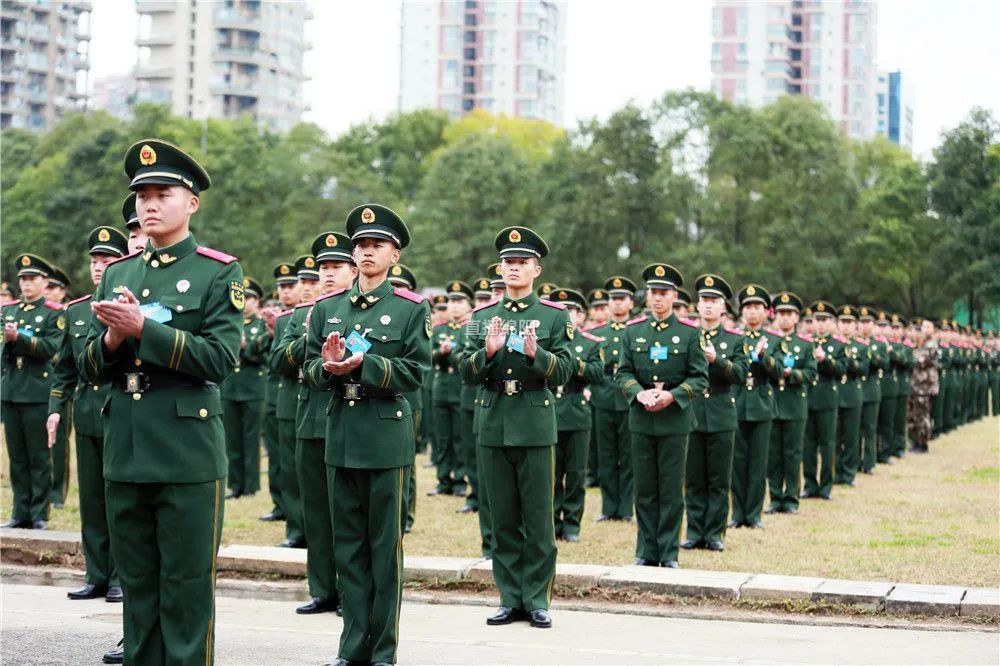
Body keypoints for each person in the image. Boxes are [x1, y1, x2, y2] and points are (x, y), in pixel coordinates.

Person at [80, 139, 242, 664]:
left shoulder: (220, 272)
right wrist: (111, 341)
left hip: (185, 451)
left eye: (162, 193)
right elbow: (89, 366)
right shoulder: (118, 273)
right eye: (142, 195)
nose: (148, 204)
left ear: (191, 202)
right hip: (125, 448)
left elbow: (220, 359)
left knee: (186, 585)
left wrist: (144, 330)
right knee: (138, 587)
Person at [303, 204, 430, 665]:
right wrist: (329, 367)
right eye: (360, 245)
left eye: (377, 245)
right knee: (348, 550)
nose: (366, 252)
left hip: (384, 436)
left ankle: (383, 651)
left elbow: (416, 373)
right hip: (341, 434)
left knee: (383, 552)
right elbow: (310, 372)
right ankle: (351, 646)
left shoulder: (411, 308)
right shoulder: (327, 309)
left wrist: (367, 364)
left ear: (395, 256)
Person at [459, 226, 573, 628]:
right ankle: (510, 597)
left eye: (521, 262)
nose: (513, 268)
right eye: (508, 262)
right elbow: (465, 369)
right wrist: (487, 352)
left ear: (536, 269)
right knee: (502, 517)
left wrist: (536, 354)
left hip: (534, 420)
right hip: (493, 421)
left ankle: (538, 597)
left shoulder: (555, 317)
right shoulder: (481, 317)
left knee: (539, 518)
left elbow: (568, 370)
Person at [47, 226, 129, 603]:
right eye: (95, 260)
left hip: (118, 411)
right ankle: (96, 573)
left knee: (118, 499)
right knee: (92, 499)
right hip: (85, 413)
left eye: (107, 260)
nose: (99, 267)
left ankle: (119, 576)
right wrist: (55, 410)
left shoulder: (129, 306)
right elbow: (64, 368)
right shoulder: (77, 310)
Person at [618, 263, 708, 567]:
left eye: (663, 293)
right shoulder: (633, 333)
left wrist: (673, 395)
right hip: (642, 419)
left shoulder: (689, 334)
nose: (657, 298)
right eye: (653, 293)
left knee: (670, 488)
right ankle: (645, 551)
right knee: (644, 489)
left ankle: (668, 552)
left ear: (674, 296)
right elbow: (623, 373)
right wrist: (637, 392)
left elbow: (700, 378)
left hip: (674, 420)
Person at [682, 274, 747, 552]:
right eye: (704, 300)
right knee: (694, 478)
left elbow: (742, 374)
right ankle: (695, 531)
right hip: (693, 411)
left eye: (714, 301)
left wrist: (716, 360)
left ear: (724, 308)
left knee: (719, 479)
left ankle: (715, 534)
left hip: (721, 412)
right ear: (697, 306)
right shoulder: (686, 336)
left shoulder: (734, 340)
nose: (708, 306)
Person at [2, 253, 66, 530]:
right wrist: (9, 341)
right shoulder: (8, 311)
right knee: (16, 456)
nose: (26, 285)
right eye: (23, 280)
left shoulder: (54, 313)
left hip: (38, 392)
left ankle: (39, 512)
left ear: (44, 282)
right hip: (11, 390)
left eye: (32, 279)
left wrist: (22, 339)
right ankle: (20, 511)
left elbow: (51, 348)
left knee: (38, 456)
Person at [269, 254, 318, 549]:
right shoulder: (290, 318)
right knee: (291, 469)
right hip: (292, 399)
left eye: (314, 280)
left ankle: (321, 531)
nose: (309, 287)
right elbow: (277, 362)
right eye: (305, 281)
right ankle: (296, 529)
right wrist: (305, 341)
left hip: (326, 399)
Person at [550, 288, 604, 543]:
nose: (567, 315)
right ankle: (551, 521)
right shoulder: (546, 341)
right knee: (551, 473)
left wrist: (575, 363)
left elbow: (597, 374)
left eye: (571, 310)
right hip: (550, 410)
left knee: (575, 473)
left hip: (577, 411)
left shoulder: (591, 344)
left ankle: (571, 523)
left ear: (581, 316)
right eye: (561, 310)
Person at [731, 284, 780, 529]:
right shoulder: (733, 338)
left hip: (761, 402)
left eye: (757, 307)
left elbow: (780, 371)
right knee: (737, 462)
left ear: (766, 311)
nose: (752, 312)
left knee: (758, 462)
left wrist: (765, 358)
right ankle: (738, 513)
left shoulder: (773, 340)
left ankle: (754, 514)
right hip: (737, 402)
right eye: (748, 307)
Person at [589, 276, 638, 523]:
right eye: (613, 300)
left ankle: (626, 508)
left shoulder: (638, 329)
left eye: (621, 299)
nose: (617, 304)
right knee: (606, 454)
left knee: (628, 456)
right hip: (603, 395)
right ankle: (609, 507)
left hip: (629, 398)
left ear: (631, 303)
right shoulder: (596, 333)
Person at [764, 292, 817, 515]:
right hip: (773, 402)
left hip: (795, 404)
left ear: (797, 317)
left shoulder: (805, 344)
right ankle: (775, 497)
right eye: (781, 313)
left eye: (790, 314)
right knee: (774, 454)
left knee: (793, 453)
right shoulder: (768, 341)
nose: (785, 318)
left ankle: (792, 497)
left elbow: (811, 372)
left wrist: (792, 374)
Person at [258, 262, 299, 523]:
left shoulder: (309, 314)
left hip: (302, 393)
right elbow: (264, 354)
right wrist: (271, 333)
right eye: (281, 287)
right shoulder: (277, 318)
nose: (285, 292)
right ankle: (280, 504)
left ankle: (296, 511)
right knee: (278, 456)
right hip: (276, 393)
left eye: (291, 286)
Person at [221, 277, 268, 499]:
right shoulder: (231, 323)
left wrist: (245, 346)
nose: (245, 302)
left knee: (251, 439)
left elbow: (263, 356)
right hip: (230, 387)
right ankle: (235, 483)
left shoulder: (262, 325)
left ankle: (251, 485)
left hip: (252, 388)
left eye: (249, 298)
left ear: (257, 301)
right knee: (232, 439)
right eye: (243, 297)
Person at [427, 281, 473, 498]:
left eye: (459, 301)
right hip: (440, 389)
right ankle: (443, 479)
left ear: (468, 305)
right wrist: (440, 353)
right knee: (442, 438)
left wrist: (450, 355)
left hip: (460, 389)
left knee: (460, 438)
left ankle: (460, 479)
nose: (454, 306)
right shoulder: (438, 330)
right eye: (451, 301)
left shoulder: (470, 329)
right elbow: (427, 356)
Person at [388, 263, 424, 533]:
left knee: (406, 458)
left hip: (409, 397)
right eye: (394, 285)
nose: (397, 290)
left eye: (403, 287)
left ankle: (407, 513)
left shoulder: (413, 312)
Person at [801, 301, 845, 500]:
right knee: (808, 444)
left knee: (827, 444)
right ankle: (810, 484)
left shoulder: (838, 345)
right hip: (807, 397)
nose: (820, 324)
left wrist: (824, 360)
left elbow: (841, 370)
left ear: (832, 322)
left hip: (827, 398)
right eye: (817, 320)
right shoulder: (805, 342)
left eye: (824, 320)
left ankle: (826, 486)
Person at [44, 264, 72, 508]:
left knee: (60, 439)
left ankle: (58, 492)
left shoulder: (67, 313)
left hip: (69, 383)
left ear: (63, 291)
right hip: (47, 381)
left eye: (52, 287)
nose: (47, 290)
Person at [834, 305, 869, 486]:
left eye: (849, 322)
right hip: (834, 394)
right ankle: (835, 472)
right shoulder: (832, 345)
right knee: (834, 437)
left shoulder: (861, 346)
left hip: (853, 394)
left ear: (855, 325)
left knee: (851, 437)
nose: (846, 326)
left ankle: (848, 473)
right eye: (843, 322)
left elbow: (864, 368)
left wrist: (848, 362)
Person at [908, 318, 939, 452]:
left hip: (925, 387)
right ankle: (916, 442)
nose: (924, 329)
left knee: (923, 415)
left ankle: (923, 444)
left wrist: (910, 353)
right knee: (915, 415)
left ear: (933, 330)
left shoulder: (931, 345)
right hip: (918, 385)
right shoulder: (923, 344)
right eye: (923, 327)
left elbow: (919, 360)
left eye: (927, 327)